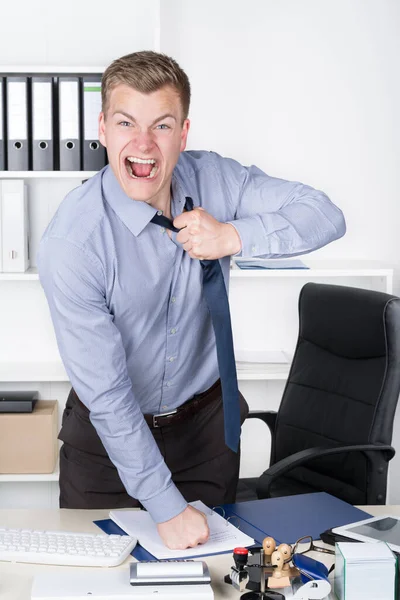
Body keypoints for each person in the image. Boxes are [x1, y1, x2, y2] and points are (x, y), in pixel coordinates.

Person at [37, 50, 346, 551]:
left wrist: (233, 237)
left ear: (183, 133)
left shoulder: (216, 181)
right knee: (100, 579)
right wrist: (165, 505)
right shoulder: (72, 245)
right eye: (125, 123)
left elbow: (324, 214)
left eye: (161, 126)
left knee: (214, 576)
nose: (142, 144)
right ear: (102, 129)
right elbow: (109, 396)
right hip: (107, 441)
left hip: (205, 433)